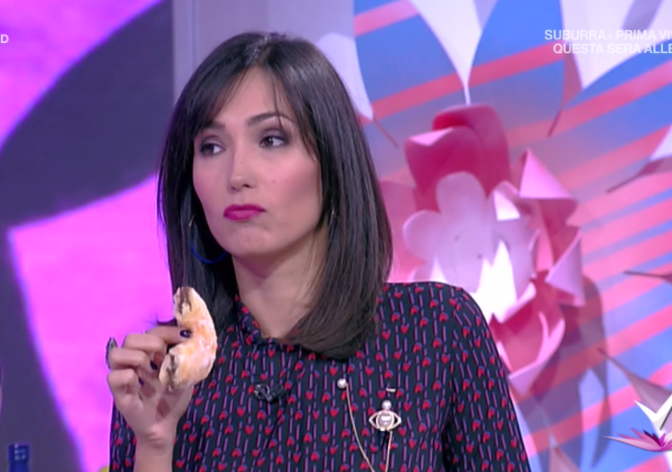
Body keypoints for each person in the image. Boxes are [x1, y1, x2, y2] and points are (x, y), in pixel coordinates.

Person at [105, 31, 532, 472]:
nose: (237, 174)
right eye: (211, 146)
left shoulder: (434, 330)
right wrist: (154, 443)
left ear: (332, 164)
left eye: (271, 139)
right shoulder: (162, 374)